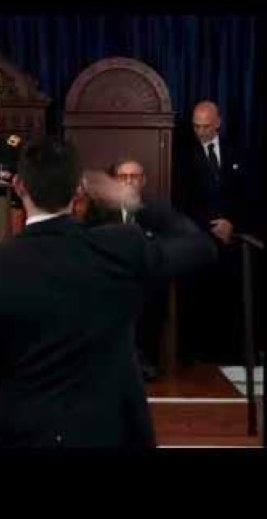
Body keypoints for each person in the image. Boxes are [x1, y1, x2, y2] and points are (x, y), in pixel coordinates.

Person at [0, 138, 216, 450]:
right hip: (109, 436)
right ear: (78, 191)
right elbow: (200, 247)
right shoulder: (121, 247)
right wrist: (133, 199)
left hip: (19, 438)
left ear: (18, 186)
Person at [176, 100, 249, 364]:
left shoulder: (238, 152)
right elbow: (181, 201)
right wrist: (212, 225)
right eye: (196, 126)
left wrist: (233, 224)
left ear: (218, 123)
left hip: (233, 243)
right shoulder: (182, 157)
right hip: (199, 241)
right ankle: (199, 356)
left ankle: (230, 354)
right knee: (200, 302)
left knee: (230, 301)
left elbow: (248, 196)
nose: (200, 132)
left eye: (206, 126)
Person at [83, 158, 166, 381]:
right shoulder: (99, 209)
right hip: (108, 275)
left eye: (134, 177)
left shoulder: (155, 210)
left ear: (143, 181)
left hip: (144, 276)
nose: (129, 182)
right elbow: (90, 242)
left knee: (154, 293)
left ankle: (144, 360)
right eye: (123, 177)